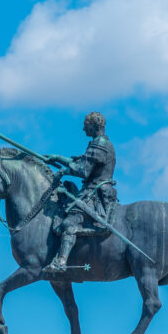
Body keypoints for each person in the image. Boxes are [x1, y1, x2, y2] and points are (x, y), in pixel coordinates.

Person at [44, 111, 118, 272]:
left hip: (95, 193)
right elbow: (80, 162)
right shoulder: (102, 143)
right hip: (95, 190)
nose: (84, 130)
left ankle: (60, 262)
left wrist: (63, 171)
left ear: (94, 125)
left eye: (86, 126)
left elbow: (83, 171)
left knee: (70, 222)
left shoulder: (100, 144)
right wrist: (57, 158)